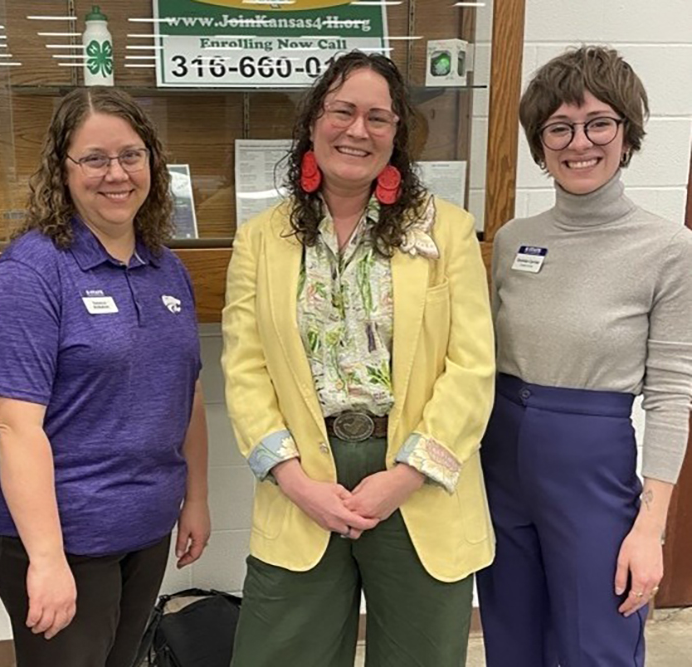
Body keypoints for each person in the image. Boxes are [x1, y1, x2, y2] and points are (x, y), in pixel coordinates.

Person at [221, 51, 496, 667]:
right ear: (313, 122)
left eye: (378, 117)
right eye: (342, 111)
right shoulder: (262, 238)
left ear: (397, 134)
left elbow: (472, 368)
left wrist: (403, 478)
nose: (357, 130)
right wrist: (296, 482)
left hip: (419, 482)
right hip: (302, 483)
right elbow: (245, 369)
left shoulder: (447, 232)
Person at [0, 87, 210, 667]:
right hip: (62, 534)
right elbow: (14, 429)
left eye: (131, 155)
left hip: (145, 522)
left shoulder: (166, 267)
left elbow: (188, 391)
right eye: (95, 159)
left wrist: (196, 498)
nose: (116, 174)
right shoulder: (28, 275)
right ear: (62, 168)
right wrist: (47, 559)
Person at [477, 46, 692, 667]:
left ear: (627, 134)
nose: (580, 143)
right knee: (510, 634)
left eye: (600, 123)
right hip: (500, 453)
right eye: (559, 128)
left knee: (595, 640)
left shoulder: (669, 249)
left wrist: (650, 530)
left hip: (590, 461)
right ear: (540, 144)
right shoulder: (515, 239)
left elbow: (674, 393)